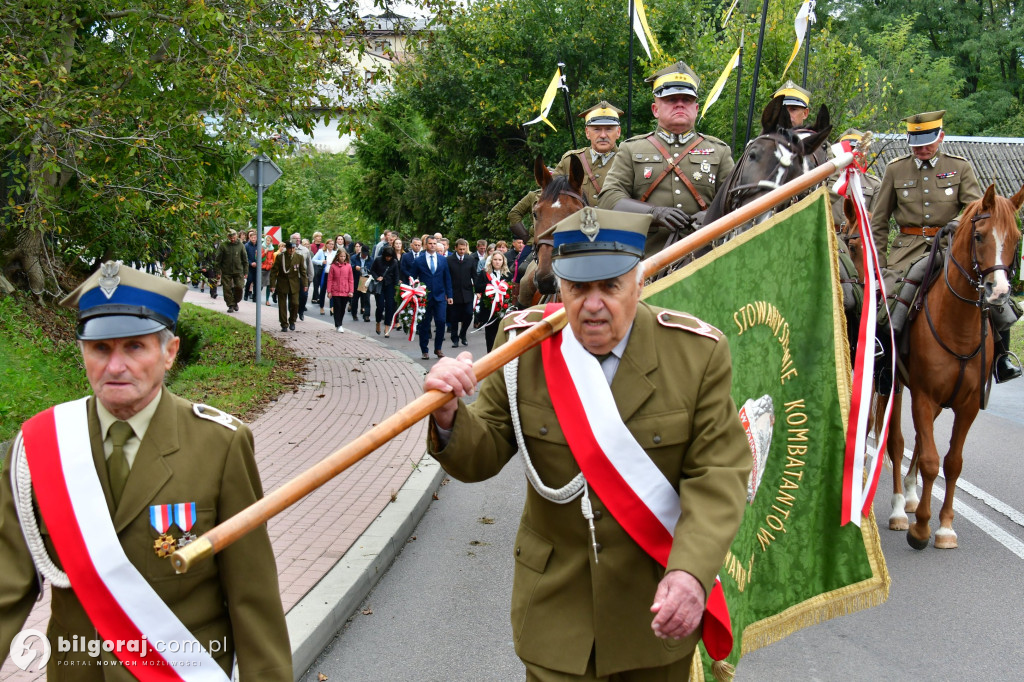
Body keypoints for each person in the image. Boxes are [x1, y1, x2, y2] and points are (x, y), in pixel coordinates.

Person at [423, 207, 751, 679]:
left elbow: (717, 473)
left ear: (638, 284)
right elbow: (484, 452)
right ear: (561, 286)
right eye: (578, 288)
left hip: (653, 610)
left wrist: (690, 572)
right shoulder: (524, 345)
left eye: (610, 287)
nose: (592, 304)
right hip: (556, 609)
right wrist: (448, 414)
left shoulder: (696, 354)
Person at [0, 262, 292, 679]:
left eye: (134, 347)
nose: (115, 366)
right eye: (100, 349)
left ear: (169, 352)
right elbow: (7, 587)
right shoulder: (39, 447)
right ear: (83, 350)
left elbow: (252, 593)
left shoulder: (220, 445)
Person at [870, 111, 1018, 382]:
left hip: (950, 247)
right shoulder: (895, 169)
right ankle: (883, 364)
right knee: (889, 301)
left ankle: (1002, 358)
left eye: (928, 141)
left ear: (940, 136)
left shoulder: (959, 167)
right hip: (907, 251)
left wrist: (955, 222)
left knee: (994, 298)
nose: (922, 148)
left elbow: (978, 209)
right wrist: (879, 266)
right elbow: (878, 222)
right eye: (916, 143)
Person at [599, 61, 735, 256]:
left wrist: (710, 216)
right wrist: (654, 213)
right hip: (645, 260)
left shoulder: (719, 151)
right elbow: (609, 199)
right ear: (655, 109)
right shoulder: (631, 149)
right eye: (671, 99)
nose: (680, 104)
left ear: (696, 109)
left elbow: (736, 202)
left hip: (705, 258)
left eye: (687, 99)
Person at [554, 101, 624, 204]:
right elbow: (548, 194)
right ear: (587, 132)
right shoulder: (570, 160)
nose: (603, 135)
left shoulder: (627, 160)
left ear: (618, 132)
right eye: (597, 130)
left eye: (609, 129)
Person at [414, 235, 453, 359]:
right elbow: (413, 278)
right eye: (430, 243)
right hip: (425, 296)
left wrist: (449, 294)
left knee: (441, 321)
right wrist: (415, 292)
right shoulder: (419, 260)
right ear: (425, 245)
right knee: (424, 324)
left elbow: (447, 278)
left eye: (434, 244)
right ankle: (424, 350)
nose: (432, 246)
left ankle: (438, 348)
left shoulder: (442, 260)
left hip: (440, 296)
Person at [474, 250, 512, 352]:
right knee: (490, 334)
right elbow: (477, 287)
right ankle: (490, 355)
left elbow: (511, 289)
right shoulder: (484, 273)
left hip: (503, 308)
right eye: (495, 259)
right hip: (489, 308)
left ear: (503, 261)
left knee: (503, 333)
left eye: (500, 260)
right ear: (491, 261)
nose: (497, 262)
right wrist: (491, 287)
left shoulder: (508, 274)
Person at [270, 240, 307, 331]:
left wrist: (305, 284)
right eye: (290, 248)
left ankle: (292, 321)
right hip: (282, 283)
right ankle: (284, 324)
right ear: (286, 248)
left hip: (294, 283)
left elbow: (303, 272)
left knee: (295, 303)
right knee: (282, 305)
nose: (292, 250)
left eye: (293, 248)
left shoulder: (299, 257)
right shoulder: (280, 257)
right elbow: (274, 271)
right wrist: (272, 285)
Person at [447, 238, 477, 348]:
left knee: (469, 314)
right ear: (455, 248)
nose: (462, 251)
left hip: (467, 292)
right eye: (460, 249)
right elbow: (447, 277)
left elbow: (474, 275)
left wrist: (478, 290)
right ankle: (454, 339)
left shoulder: (470, 259)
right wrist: (448, 293)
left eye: (464, 249)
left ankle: (463, 334)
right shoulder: (449, 260)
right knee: (454, 317)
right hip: (454, 293)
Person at [214, 228, 248, 312]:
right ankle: (231, 305)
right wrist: (218, 272)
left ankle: (235, 301)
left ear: (236, 236)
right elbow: (217, 260)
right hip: (226, 271)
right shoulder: (223, 245)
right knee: (227, 289)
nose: (232, 239)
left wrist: (246, 272)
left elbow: (245, 260)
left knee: (239, 287)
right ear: (227, 237)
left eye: (234, 237)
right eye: (230, 237)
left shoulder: (240, 245)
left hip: (238, 271)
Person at [370, 244, 400, 337]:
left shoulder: (394, 262)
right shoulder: (378, 260)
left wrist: (396, 289)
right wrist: (376, 277)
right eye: (387, 256)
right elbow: (372, 270)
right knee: (380, 306)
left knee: (389, 307)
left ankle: (387, 327)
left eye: (390, 257)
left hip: (390, 285)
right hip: (380, 285)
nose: (388, 258)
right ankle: (378, 322)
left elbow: (396, 276)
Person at [326, 247, 354, 333]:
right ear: (337, 256)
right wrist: (329, 291)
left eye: (344, 256)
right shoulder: (333, 266)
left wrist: (351, 291)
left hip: (345, 290)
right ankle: (338, 324)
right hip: (335, 290)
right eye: (341, 256)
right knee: (337, 307)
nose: (342, 258)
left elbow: (351, 279)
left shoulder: (348, 266)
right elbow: (330, 279)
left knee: (342, 308)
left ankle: (339, 323)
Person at [291, 233, 314, 321]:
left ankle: (301, 311)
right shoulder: (288, 249)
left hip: (303, 277)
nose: (297, 240)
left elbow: (309, 264)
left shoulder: (305, 250)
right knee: (293, 297)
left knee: (304, 295)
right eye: (295, 238)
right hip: (292, 277)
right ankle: (294, 313)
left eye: (299, 238)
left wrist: (311, 277)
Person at [312, 238, 338, 314]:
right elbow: (313, 260)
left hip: (333, 275)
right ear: (326, 245)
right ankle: (321, 307)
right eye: (329, 244)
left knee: (332, 290)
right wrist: (321, 262)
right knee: (323, 290)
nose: (331, 246)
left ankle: (332, 307)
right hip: (324, 274)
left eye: (332, 244)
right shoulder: (321, 252)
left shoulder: (335, 253)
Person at [350, 241, 372, 322]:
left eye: (365, 254)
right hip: (356, 279)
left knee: (366, 298)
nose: (364, 256)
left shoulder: (370, 259)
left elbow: (372, 269)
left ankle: (366, 315)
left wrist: (368, 271)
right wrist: (355, 267)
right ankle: (354, 314)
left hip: (365, 280)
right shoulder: (354, 257)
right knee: (355, 299)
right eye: (363, 254)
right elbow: (350, 266)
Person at [261, 235, 277, 306]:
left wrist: (272, 262)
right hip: (262, 267)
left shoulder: (272, 248)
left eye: (269, 241)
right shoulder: (261, 247)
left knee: (268, 284)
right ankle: (257, 297)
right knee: (260, 285)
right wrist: (265, 252)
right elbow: (259, 257)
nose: (268, 242)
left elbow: (272, 258)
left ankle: (267, 300)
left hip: (269, 267)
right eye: (267, 240)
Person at [244, 229, 259, 301]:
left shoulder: (259, 246)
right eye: (252, 237)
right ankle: (246, 294)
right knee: (249, 281)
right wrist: (250, 263)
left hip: (257, 266)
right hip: (249, 267)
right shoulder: (246, 246)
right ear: (249, 238)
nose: (253, 239)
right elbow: (245, 257)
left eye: (255, 237)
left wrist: (257, 262)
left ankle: (255, 296)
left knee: (256, 282)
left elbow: (261, 256)